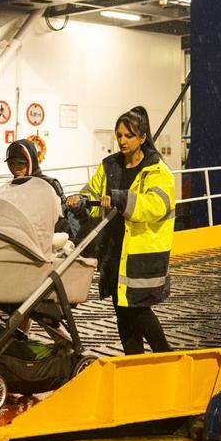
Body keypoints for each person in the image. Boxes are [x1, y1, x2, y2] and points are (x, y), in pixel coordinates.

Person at [67, 106, 175, 355]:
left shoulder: (158, 171)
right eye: (119, 135)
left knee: (137, 311)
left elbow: (155, 206)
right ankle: (133, 363)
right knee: (122, 312)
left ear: (142, 138)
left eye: (128, 135)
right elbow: (93, 192)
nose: (122, 141)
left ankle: (166, 355)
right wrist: (81, 200)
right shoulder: (110, 166)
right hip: (114, 250)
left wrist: (119, 198)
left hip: (140, 254)